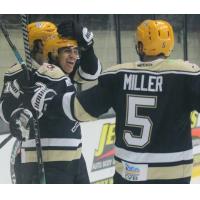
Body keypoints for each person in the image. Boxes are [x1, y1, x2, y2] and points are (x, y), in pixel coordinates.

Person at [31, 19, 199, 184]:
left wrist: (46, 101)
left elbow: (79, 108)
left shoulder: (118, 75)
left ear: (140, 46)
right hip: (173, 175)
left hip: (128, 175)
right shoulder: (186, 75)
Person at [0, 20, 101, 183]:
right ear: (40, 45)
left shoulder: (57, 65)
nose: (58, 40)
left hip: (75, 156)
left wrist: (87, 45)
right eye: (53, 37)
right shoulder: (19, 71)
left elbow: (92, 73)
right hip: (43, 159)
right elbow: (5, 112)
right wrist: (19, 96)